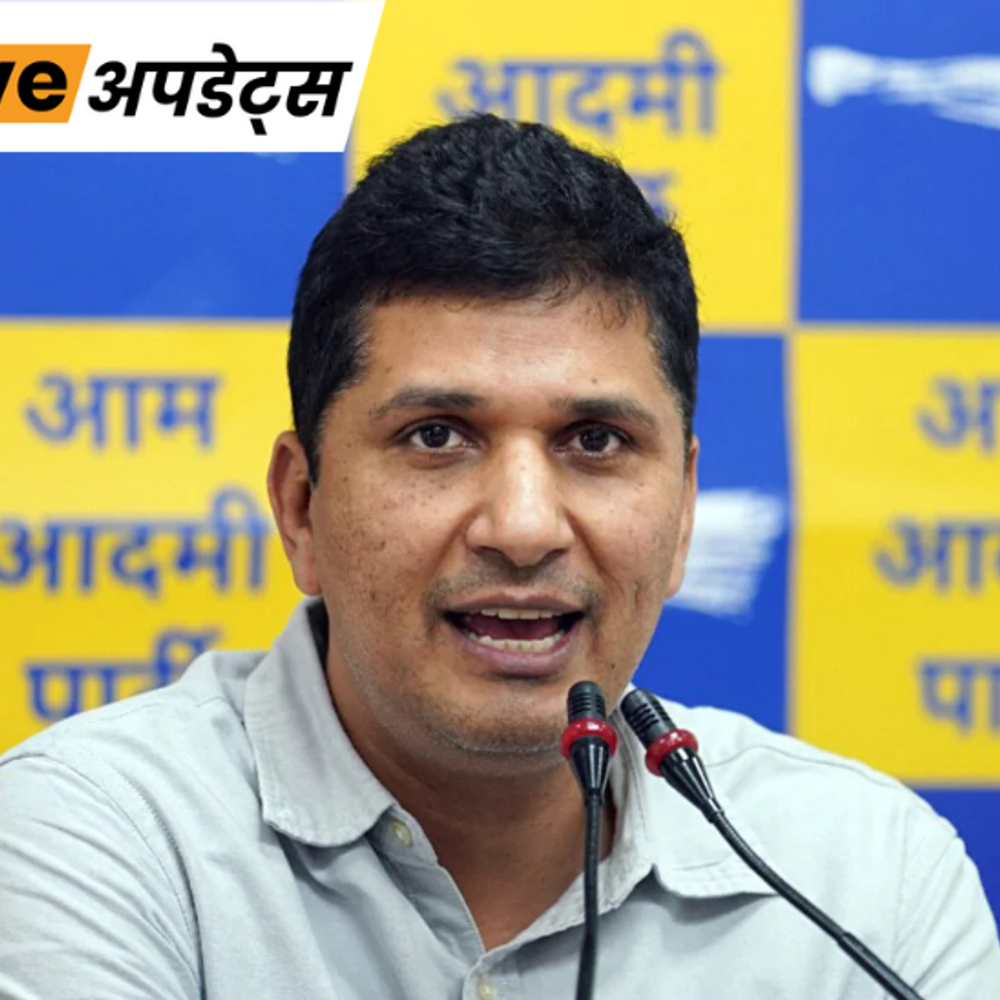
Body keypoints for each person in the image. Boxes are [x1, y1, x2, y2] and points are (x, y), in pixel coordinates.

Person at [0, 114, 997, 1000]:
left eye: (595, 440)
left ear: (684, 512)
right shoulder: (94, 838)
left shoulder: (868, 878)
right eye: (436, 436)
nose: (522, 528)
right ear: (301, 508)